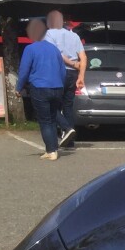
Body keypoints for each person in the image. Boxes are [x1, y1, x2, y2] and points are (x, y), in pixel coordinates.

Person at [18, 18, 75, 161]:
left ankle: (51, 150)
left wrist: (19, 87)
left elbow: (24, 70)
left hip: (39, 87)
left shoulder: (30, 49)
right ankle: (66, 128)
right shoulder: (54, 49)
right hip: (57, 86)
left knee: (45, 120)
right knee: (52, 113)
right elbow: (62, 70)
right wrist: (60, 84)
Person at [43, 9, 85, 148]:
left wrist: (72, 63)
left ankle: (65, 129)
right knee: (68, 106)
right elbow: (84, 57)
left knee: (51, 104)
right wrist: (81, 76)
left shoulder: (49, 33)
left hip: (58, 72)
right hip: (73, 74)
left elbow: (56, 54)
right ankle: (70, 140)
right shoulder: (75, 36)